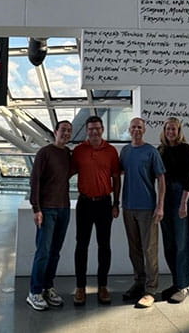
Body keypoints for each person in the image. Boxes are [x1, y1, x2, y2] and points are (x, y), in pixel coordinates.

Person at [71, 115, 121, 306]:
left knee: (104, 246)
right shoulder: (78, 151)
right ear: (86, 130)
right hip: (84, 203)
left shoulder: (111, 151)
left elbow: (116, 178)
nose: (94, 132)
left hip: (104, 203)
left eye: (97, 128)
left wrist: (116, 203)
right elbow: (66, 172)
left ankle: (102, 286)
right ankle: (80, 287)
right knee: (81, 246)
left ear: (102, 130)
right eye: (91, 129)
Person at [27, 120, 73, 312]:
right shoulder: (44, 153)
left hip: (63, 208)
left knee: (55, 252)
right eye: (63, 130)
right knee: (43, 252)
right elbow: (35, 180)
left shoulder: (69, 155)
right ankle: (34, 292)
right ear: (55, 132)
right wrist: (36, 208)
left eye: (69, 131)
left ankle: (47, 287)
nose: (66, 133)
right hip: (46, 209)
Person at [119, 117, 165, 308]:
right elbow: (118, 173)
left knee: (149, 250)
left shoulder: (151, 151)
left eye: (139, 127)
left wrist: (160, 206)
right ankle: (138, 283)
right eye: (133, 127)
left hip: (147, 208)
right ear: (129, 130)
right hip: (128, 207)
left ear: (144, 130)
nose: (136, 130)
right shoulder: (126, 151)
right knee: (134, 249)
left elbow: (161, 179)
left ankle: (151, 289)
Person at [158, 118, 189, 304]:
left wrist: (183, 204)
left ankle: (184, 285)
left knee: (183, 243)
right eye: (167, 128)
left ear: (178, 130)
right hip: (165, 197)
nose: (170, 131)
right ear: (164, 131)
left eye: (173, 128)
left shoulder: (185, 148)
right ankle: (176, 282)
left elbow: (188, 178)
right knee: (169, 243)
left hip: (180, 196)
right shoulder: (161, 150)